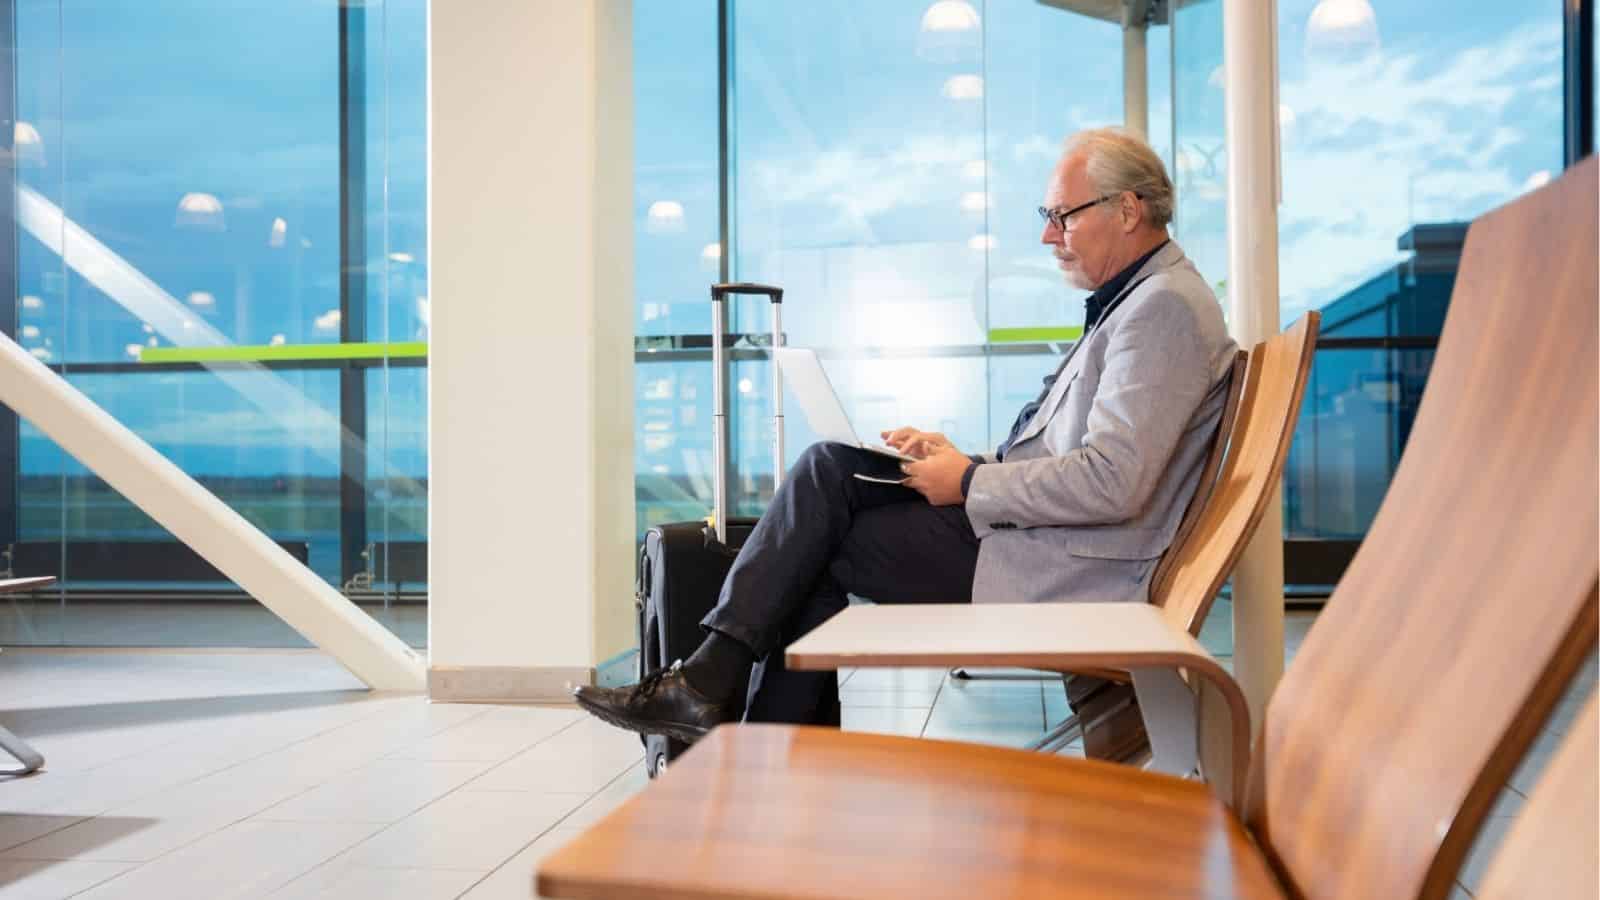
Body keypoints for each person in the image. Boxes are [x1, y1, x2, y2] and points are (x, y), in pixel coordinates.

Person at [576, 127, 1238, 743]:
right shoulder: (1136, 303)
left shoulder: (1161, 311)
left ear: (1127, 210)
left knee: (821, 524)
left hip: (1069, 564)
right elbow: (1066, 454)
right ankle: (732, 711)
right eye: (1047, 219)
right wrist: (961, 459)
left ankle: (738, 722)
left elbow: (1114, 480)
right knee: (830, 477)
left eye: (1062, 216)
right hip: (1043, 539)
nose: (1049, 237)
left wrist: (972, 482)